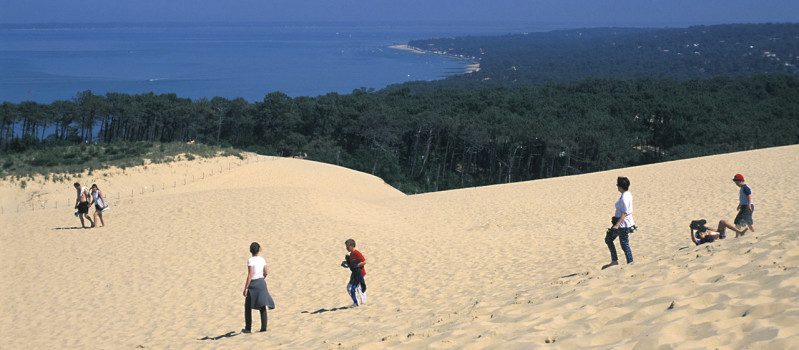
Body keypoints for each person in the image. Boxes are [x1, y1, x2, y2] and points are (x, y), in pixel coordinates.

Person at [603, 177, 635, 269]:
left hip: (622, 224)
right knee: (609, 239)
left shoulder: (625, 197)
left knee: (624, 243)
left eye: (617, 185)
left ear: (620, 187)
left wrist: (617, 224)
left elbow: (625, 212)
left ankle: (630, 262)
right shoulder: (627, 194)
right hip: (621, 223)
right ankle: (615, 261)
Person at [242, 242, 274, 333]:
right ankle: (263, 328)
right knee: (262, 306)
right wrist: (262, 279)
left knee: (248, 306)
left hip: (253, 284)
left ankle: (248, 329)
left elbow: (250, 275)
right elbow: (266, 272)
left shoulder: (250, 260)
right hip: (261, 283)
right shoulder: (262, 259)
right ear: (259, 250)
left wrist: (246, 288)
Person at [343, 239, 367, 306]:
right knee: (354, 287)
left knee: (358, 288)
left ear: (352, 246)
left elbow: (364, 261)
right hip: (354, 274)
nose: (346, 248)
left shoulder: (357, 253)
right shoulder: (351, 254)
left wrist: (356, 266)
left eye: (348, 247)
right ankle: (360, 303)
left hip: (360, 274)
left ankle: (361, 303)